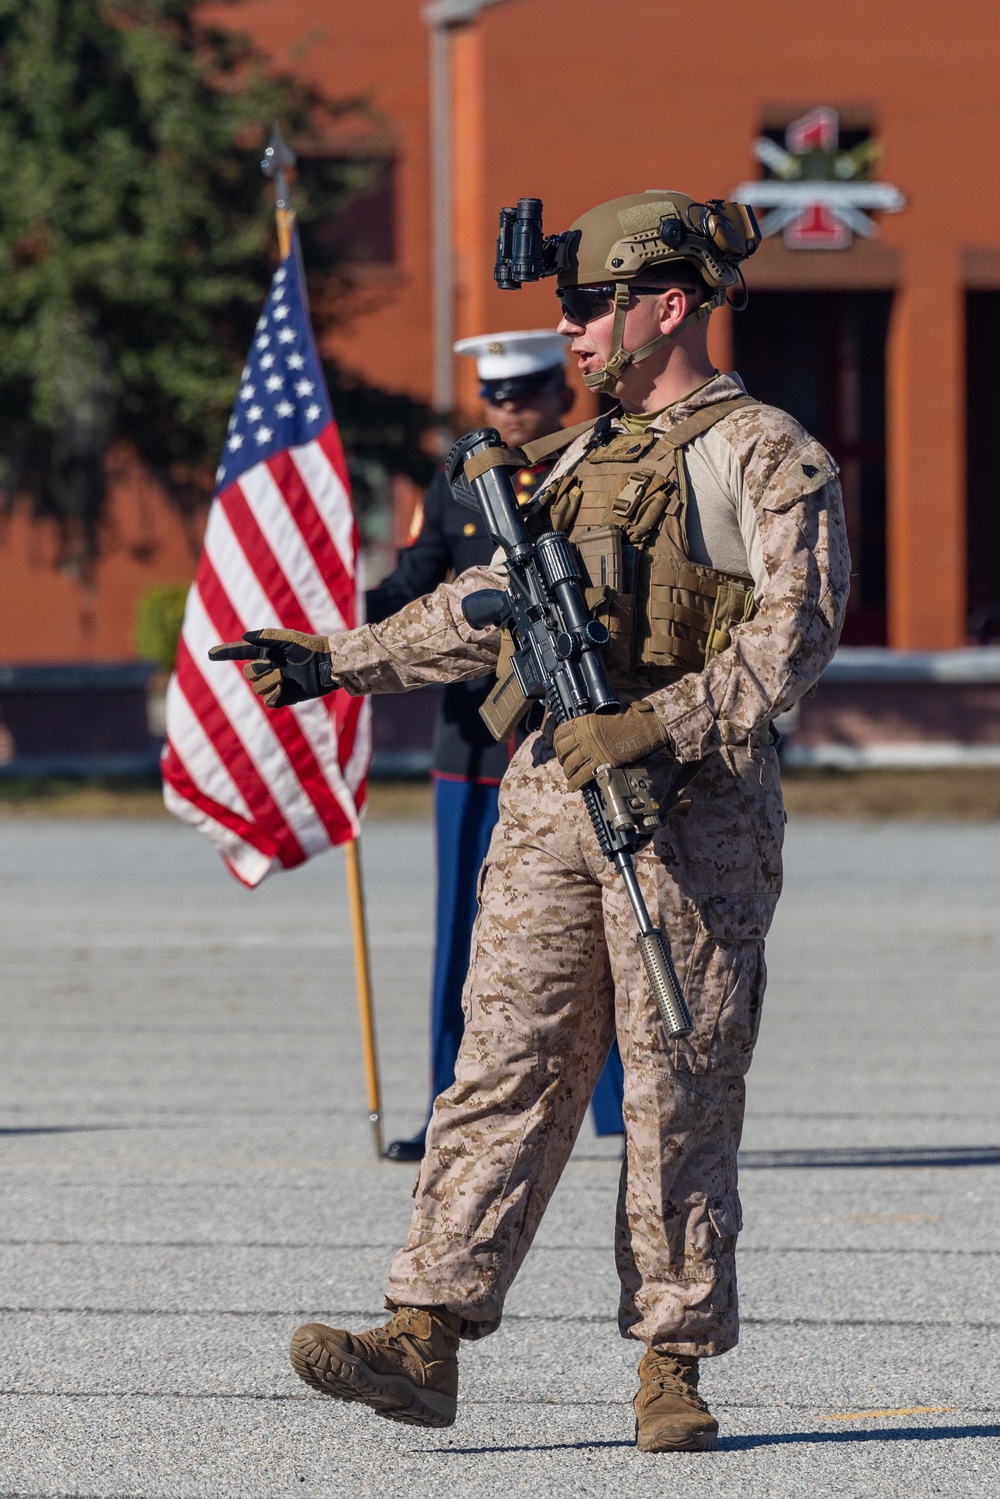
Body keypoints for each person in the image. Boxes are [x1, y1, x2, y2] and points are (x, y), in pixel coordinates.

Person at [210, 189, 850, 1453]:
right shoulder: (566, 463)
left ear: (666, 306)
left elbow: (796, 635)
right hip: (554, 794)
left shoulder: (767, 453)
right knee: (501, 1060)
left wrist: (655, 726)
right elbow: (481, 606)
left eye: (587, 308)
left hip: (693, 806)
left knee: (678, 1081)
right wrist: (335, 660)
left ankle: (673, 1358)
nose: (567, 334)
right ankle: (425, 1334)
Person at [370, 329, 625, 1162]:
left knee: (610, 919)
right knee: (461, 930)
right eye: (496, 397)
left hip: (572, 734)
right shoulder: (455, 484)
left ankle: (622, 1113)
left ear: (562, 394)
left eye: (525, 394)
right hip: (476, 740)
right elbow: (417, 582)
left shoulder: (598, 466)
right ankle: (447, 1107)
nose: (509, 410)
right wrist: (342, 608)